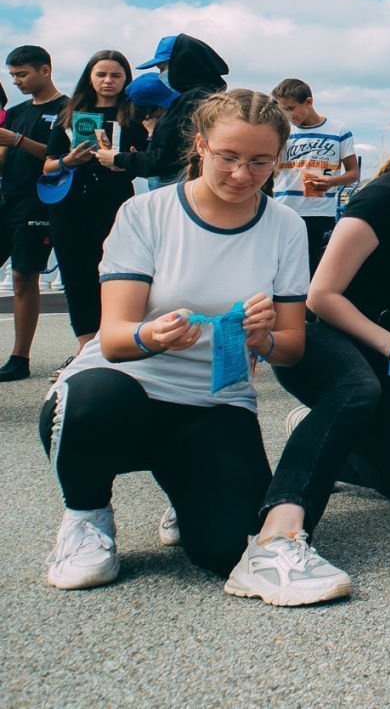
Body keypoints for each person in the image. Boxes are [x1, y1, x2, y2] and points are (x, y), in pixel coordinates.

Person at [40, 91, 325, 602]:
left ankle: (183, 483)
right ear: (200, 145)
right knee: (94, 399)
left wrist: (263, 339)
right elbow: (114, 339)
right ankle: (86, 516)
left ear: (277, 159)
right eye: (228, 157)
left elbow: (292, 348)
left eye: (260, 162)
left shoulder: (285, 225)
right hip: (126, 387)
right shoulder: (145, 212)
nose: (242, 174)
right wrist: (151, 336)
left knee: (226, 549)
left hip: (214, 401)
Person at [258, 89, 390, 587]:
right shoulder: (381, 198)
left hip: (378, 345)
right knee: (359, 388)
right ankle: (283, 528)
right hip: (319, 338)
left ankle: (330, 432)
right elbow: (321, 295)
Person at [41, 51, 145, 360]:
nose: (108, 81)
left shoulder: (135, 115)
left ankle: (112, 342)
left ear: (126, 79)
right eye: (101, 74)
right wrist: (68, 160)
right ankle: (86, 348)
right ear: (89, 76)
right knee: (76, 276)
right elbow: (48, 165)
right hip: (70, 205)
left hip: (115, 202)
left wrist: (123, 159)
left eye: (116, 75)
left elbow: (147, 161)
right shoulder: (69, 114)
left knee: (116, 273)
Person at [1, 45, 67, 381]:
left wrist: (17, 140)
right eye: (12, 75)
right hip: (7, 198)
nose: (16, 81)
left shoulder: (68, 109)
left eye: (22, 74)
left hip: (39, 201)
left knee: (23, 276)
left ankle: (19, 357)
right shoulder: (15, 112)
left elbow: (63, 156)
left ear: (45, 70)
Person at [97, 33, 229, 186]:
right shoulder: (209, 96)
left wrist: (118, 159)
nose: (162, 75)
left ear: (181, 64)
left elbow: (165, 159)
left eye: (162, 68)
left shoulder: (190, 101)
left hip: (178, 191)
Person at [270, 78, 360, 276]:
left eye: (291, 108)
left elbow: (353, 174)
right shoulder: (282, 131)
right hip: (284, 208)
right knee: (282, 268)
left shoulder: (338, 131)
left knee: (315, 270)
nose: (288, 115)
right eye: (283, 110)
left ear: (309, 102)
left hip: (320, 212)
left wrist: (331, 181)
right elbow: (271, 168)